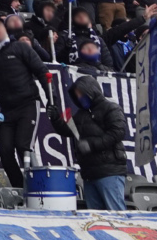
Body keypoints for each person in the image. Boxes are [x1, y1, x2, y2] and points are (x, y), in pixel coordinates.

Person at [0, 17, 49, 189]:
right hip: (5, 110)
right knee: (5, 153)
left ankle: (37, 188)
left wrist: (52, 99)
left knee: (23, 145)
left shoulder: (20, 47)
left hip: (28, 104)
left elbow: (42, 71)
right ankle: (20, 189)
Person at [50, 75, 128, 211]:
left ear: (91, 90)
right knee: (95, 216)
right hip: (89, 174)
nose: (79, 97)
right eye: (77, 95)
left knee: (116, 214)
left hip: (109, 171)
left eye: (81, 93)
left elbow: (118, 133)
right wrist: (55, 117)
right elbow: (66, 130)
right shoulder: (81, 114)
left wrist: (91, 145)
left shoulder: (111, 108)